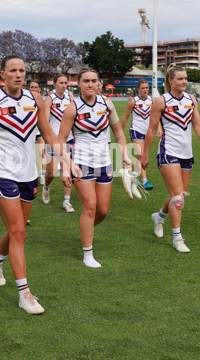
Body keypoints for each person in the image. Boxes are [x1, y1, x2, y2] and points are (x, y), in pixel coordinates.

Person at [0, 55, 76, 314]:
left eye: (22, 70)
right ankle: (24, 293)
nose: (18, 74)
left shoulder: (34, 99)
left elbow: (47, 132)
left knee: (19, 229)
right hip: (2, 173)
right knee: (18, 232)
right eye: (12, 70)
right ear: (2, 75)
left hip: (28, 173)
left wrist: (66, 160)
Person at [58, 68, 131, 268]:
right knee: (89, 207)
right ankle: (87, 253)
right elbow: (61, 140)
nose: (90, 84)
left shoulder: (107, 104)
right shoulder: (72, 108)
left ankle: (86, 229)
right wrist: (66, 167)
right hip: (81, 163)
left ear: (98, 83)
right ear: (79, 84)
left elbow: (118, 132)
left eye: (93, 81)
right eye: (86, 81)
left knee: (102, 211)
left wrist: (124, 154)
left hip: (104, 163)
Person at [140, 64, 200, 253]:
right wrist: (145, 154)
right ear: (170, 81)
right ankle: (177, 238)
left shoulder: (191, 100)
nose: (184, 82)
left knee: (179, 196)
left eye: (186, 78)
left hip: (187, 154)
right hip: (168, 153)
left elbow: (197, 124)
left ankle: (159, 217)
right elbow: (151, 129)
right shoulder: (161, 101)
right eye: (180, 79)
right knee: (178, 198)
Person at [42, 74, 76, 212]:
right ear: (54, 84)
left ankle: (66, 202)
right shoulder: (49, 99)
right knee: (51, 173)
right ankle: (46, 187)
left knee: (66, 170)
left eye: (65, 83)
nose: (63, 85)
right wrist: (50, 139)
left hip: (68, 139)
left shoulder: (71, 99)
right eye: (61, 83)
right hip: (53, 140)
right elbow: (45, 120)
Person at [120, 79, 159, 192]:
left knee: (144, 156)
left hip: (148, 132)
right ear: (138, 89)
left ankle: (134, 176)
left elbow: (157, 116)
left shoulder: (152, 100)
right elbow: (126, 117)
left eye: (147, 88)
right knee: (140, 155)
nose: (145, 90)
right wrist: (120, 131)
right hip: (136, 130)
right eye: (143, 88)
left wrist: (159, 129)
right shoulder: (133, 101)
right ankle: (144, 181)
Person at [29, 80, 48, 185]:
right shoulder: (25, 99)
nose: (34, 89)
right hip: (29, 131)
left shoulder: (43, 100)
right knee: (29, 153)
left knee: (42, 153)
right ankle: (31, 173)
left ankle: (43, 176)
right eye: (32, 87)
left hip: (39, 130)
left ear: (39, 89)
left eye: (36, 87)